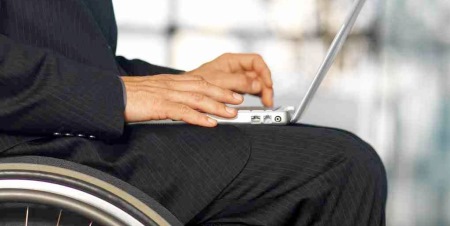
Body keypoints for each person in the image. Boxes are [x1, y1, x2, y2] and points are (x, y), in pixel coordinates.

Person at [0, 0, 387, 225]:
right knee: (339, 172)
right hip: (42, 148)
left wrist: (186, 84)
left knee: (317, 159)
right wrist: (119, 94)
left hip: (71, 134)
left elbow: (67, 54)